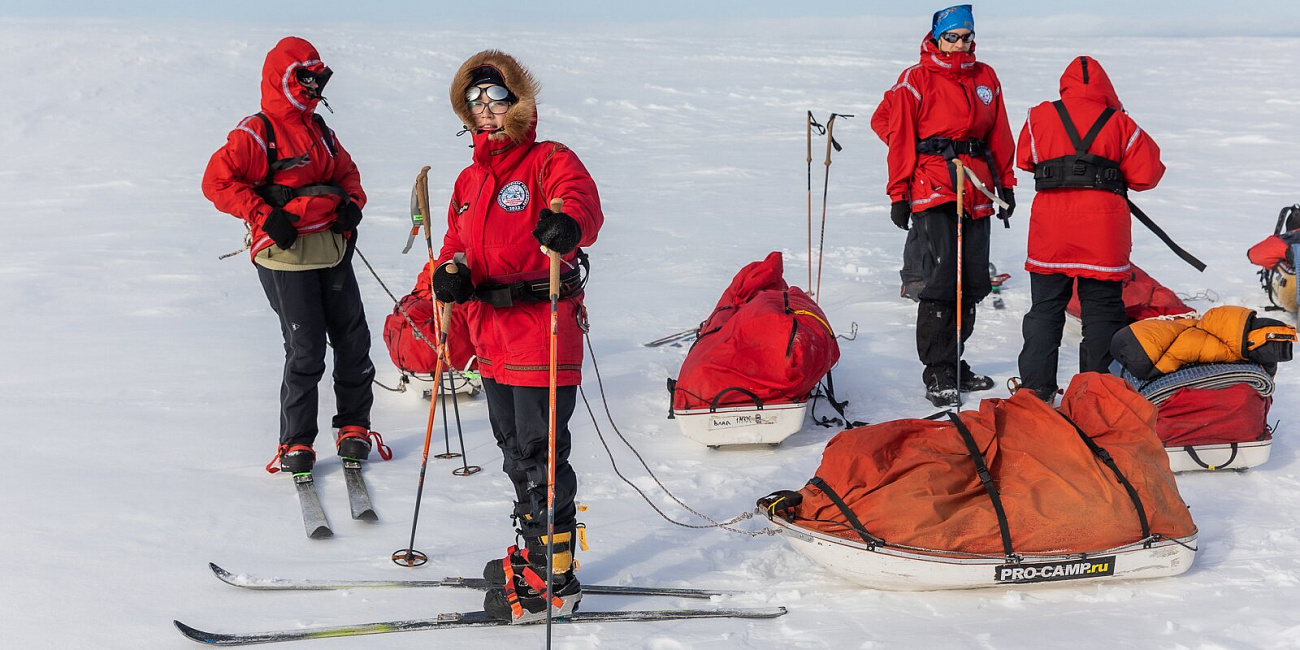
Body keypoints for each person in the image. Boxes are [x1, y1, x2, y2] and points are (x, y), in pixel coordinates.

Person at [431, 50, 603, 623]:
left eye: (496, 99)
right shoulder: (470, 179)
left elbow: (579, 203)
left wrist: (568, 225)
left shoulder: (548, 160)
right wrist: (450, 271)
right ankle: (535, 554)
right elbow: (457, 241)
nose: (486, 111)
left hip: (542, 329)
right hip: (493, 336)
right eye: (475, 102)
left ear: (519, 104)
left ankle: (556, 579)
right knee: (513, 450)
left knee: (542, 455)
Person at [202, 37, 385, 475]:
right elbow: (217, 182)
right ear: (284, 78)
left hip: (332, 249)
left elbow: (348, 174)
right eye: (306, 77)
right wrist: (265, 216)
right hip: (286, 258)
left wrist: (351, 205)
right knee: (305, 351)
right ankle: (296, 441)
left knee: (353, 341)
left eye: (318, 77)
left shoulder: (320, 128)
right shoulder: (255, 132)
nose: (315, 84)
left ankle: (354, 426)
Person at [876, 5, 1016, 407]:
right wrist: (899, 193)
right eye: (952, 36)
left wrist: (1005, 185)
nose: (960, 43)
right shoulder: (915, 79)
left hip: (977, 188)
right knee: (942, 282)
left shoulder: (986, 77)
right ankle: (937, 370)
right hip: (935, 185)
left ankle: (955, 364)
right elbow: (899, 136)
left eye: (966, 36)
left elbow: (1000, 132)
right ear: (937, 37)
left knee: (973, 281)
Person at [1014, 56, 1165, 402]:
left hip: (1051, 231)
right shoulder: (1121, 124)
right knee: (1101, 314)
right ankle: (1094, 396)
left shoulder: (1038, 117)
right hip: (1103, 235)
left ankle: (1036, 391)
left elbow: (1025, 159)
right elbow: (1148, 175)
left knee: (1045, 310)